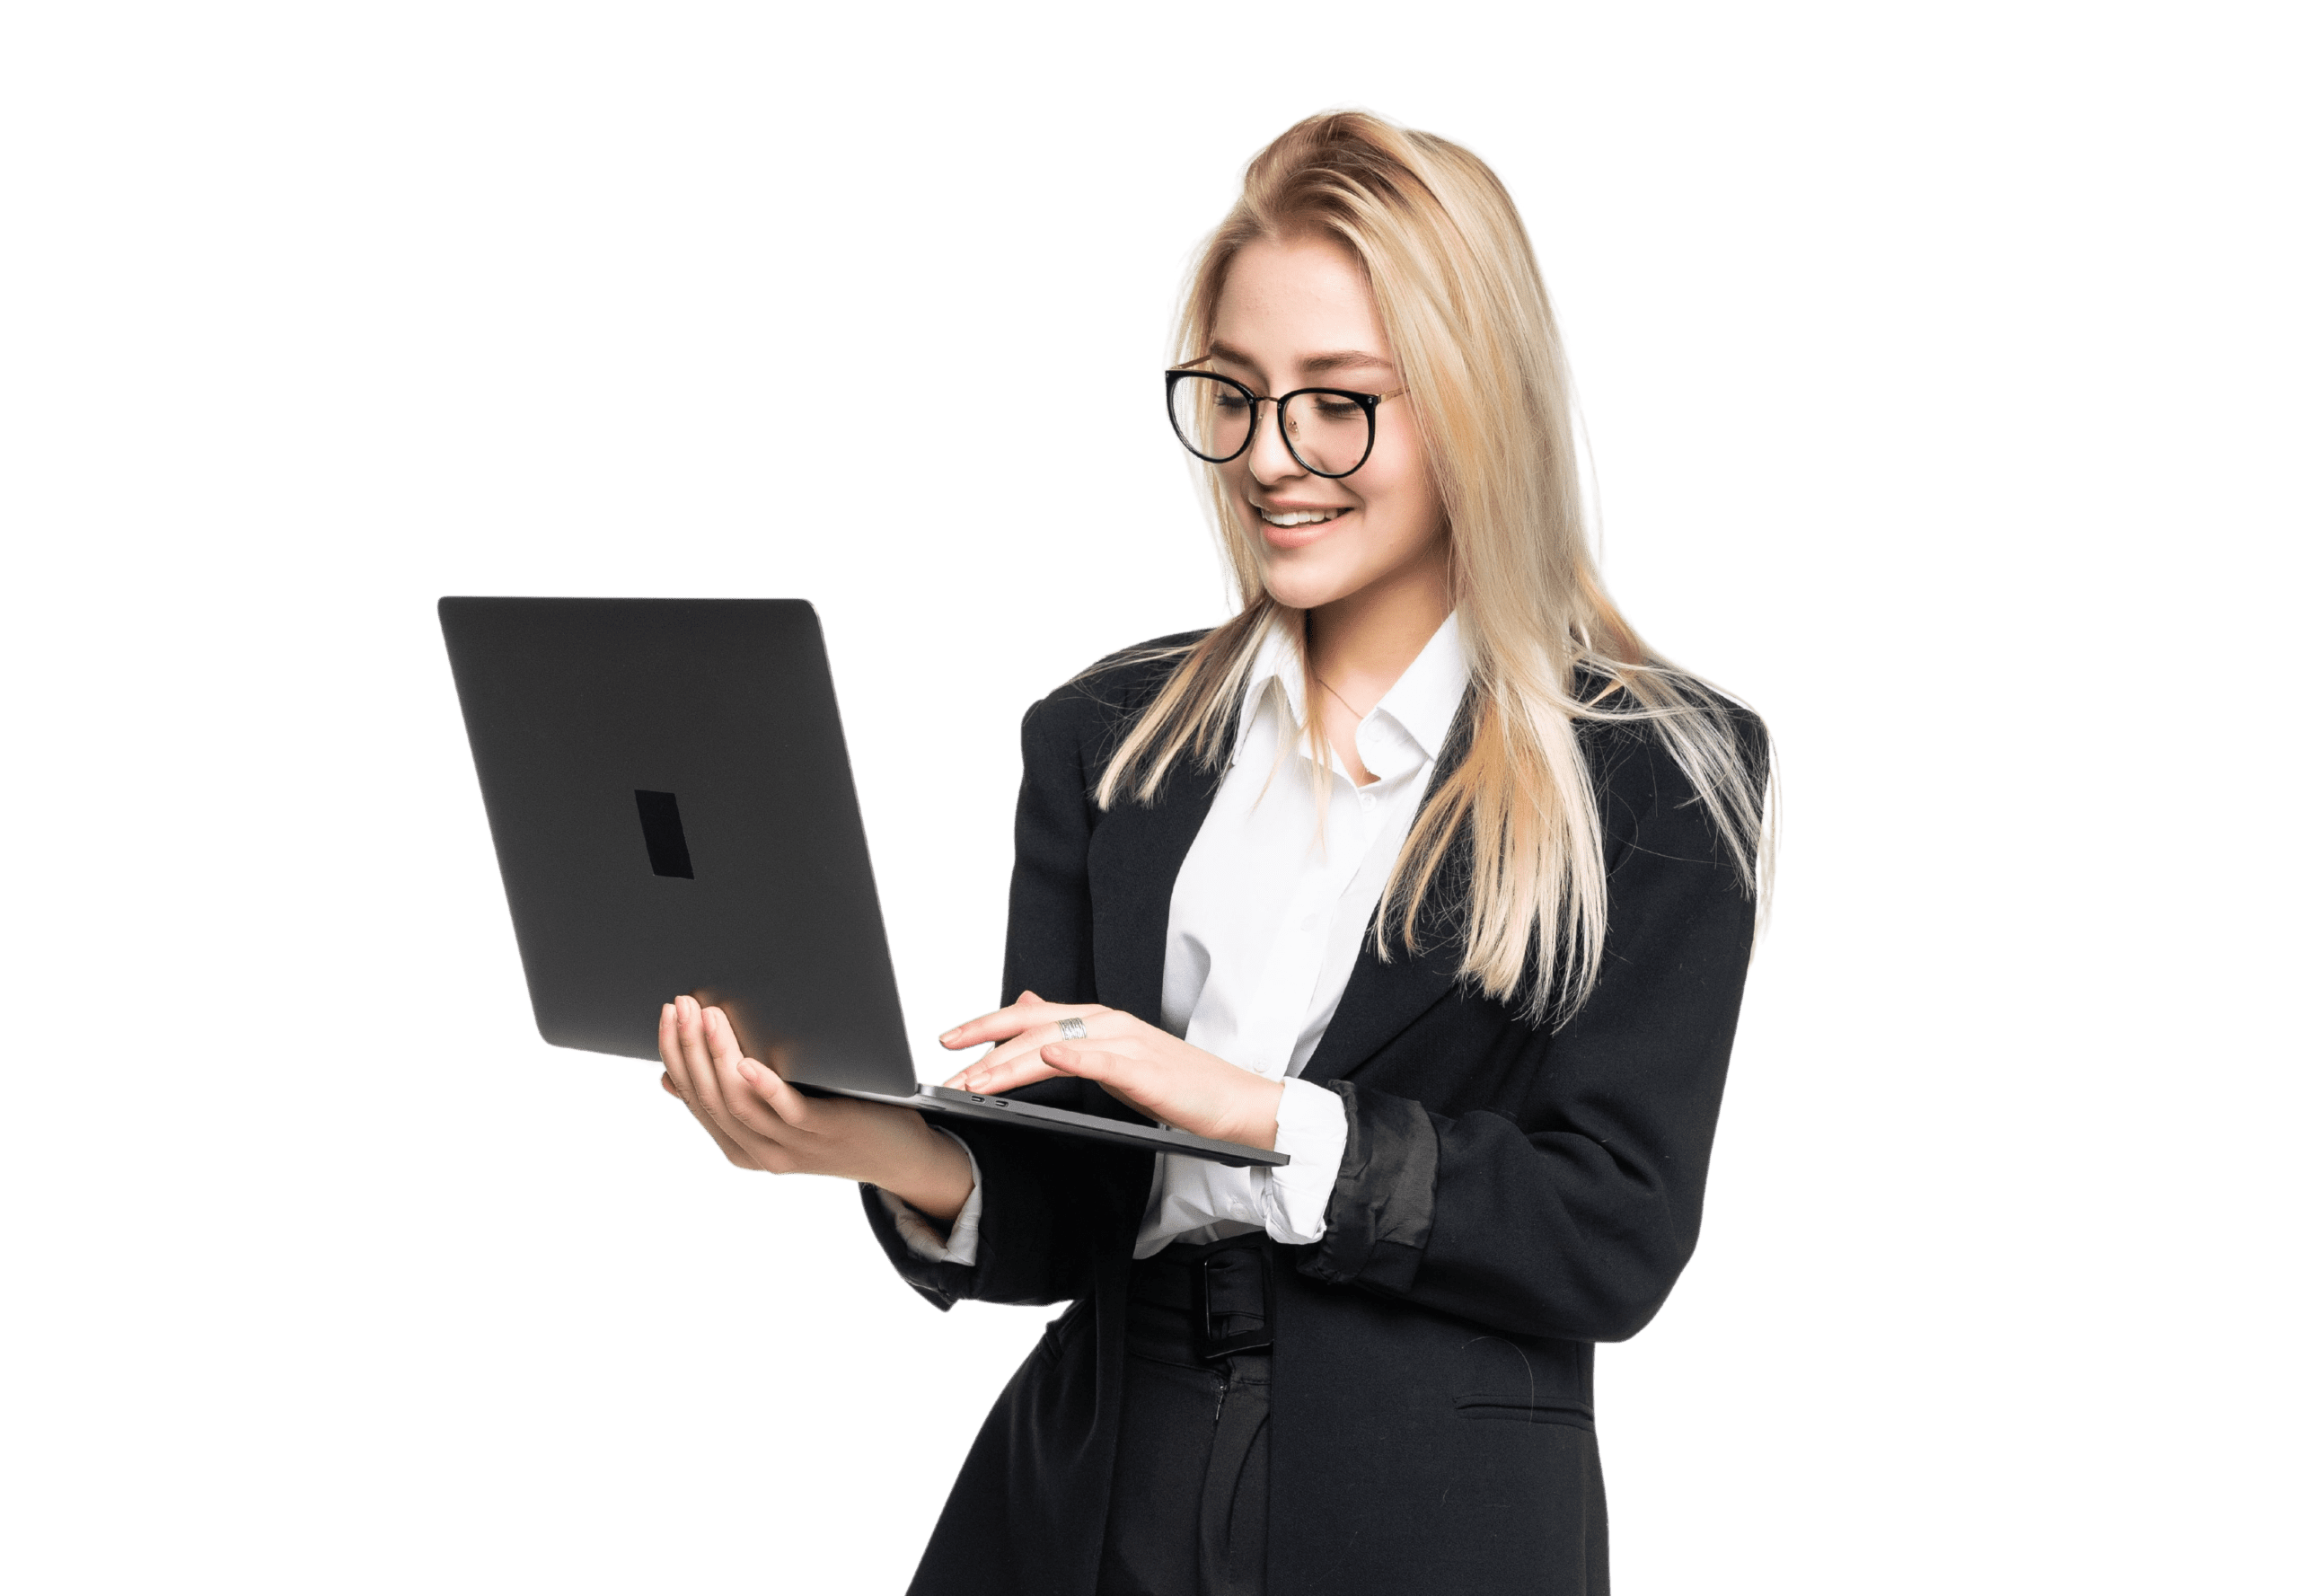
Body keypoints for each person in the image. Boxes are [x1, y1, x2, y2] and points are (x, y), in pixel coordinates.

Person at [652, 102, 1779, 1596]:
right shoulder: (1106, 736)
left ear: (1478, 403)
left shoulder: (1654, 766)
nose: (1270, 457)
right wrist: (867, 1143)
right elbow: (1070, 1207)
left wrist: (1256, 1113)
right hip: (1083, 1482)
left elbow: (1614, 1237)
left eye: (1339, 400)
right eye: (1232, 395)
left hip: (1421, 1512)